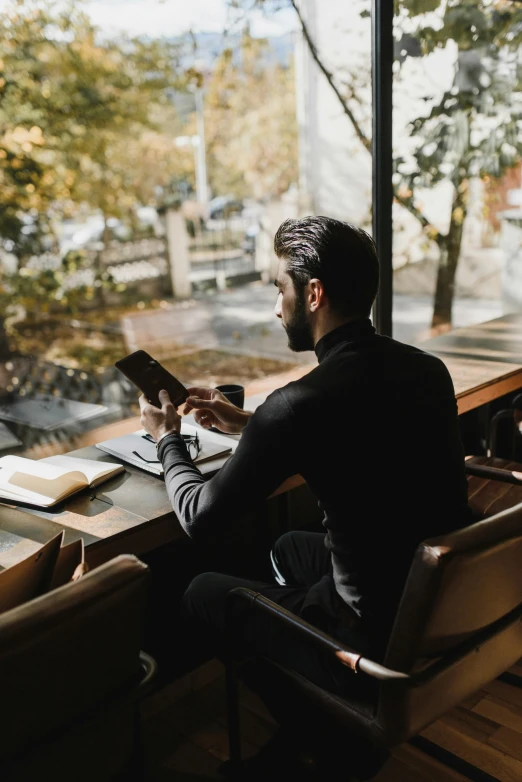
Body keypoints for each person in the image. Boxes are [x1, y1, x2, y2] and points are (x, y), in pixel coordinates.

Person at [139, 216, 472, 779]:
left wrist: (166, 439)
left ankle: (333, 730)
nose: (275, 306)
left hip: (368, 637)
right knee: (290, 547)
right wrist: (249, 420)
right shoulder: (426, 370)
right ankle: (311, 718)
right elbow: (357, 431)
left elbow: (199, 516)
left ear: (312, 294)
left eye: (279, 288)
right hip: (432, 601)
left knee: (200, 592)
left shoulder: (299, 404)